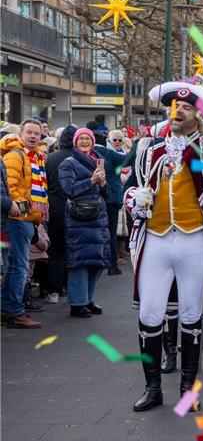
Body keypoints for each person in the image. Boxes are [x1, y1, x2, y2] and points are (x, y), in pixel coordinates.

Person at [125, 55, 203, 412]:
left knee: (192, 314)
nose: (177, 111)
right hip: (157, 239)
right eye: (174, 106)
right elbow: (132, 187)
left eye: (185, 107)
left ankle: (188, 391)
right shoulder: (150, 149)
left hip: (194, 238)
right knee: (149, 314)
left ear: (198, 115)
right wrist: (136, 198)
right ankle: (152, 388)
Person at [58, 128, 110, 317]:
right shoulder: (68, 163)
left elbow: (106, 192)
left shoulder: (98, 160)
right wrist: (91, 180)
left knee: (96, 261)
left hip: (98, 216)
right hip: (79, 218)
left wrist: (103, 183)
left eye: (88, 138)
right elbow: (68, 190)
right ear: (75, 142)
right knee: (79, 261)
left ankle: (88, 299)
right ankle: (77, 303)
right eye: (81, 139)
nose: (85, 141)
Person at [1, 119, 47, 328]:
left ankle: (7, 308)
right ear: (21, 133)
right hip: (18, 219)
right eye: (29, 132)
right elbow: (11, 192)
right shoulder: (15, 156)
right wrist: (30, 212)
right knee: (19, 267)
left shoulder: (35, 156)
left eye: (36, 133)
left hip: (25, 219)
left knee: (16, 267)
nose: (33, 136)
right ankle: (15, 312)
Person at [44, 125, 78, 304]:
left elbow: (46, 184)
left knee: (55, 251)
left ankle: (53, 291)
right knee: (73, 250)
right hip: (76, 209)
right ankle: (68, 289)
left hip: (55, 208)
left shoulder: (50, 158)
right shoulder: (80, 158)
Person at [97, 129, 129, 275]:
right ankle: (112, 265)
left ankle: (98, 262)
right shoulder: (110, 154)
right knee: (111, 230)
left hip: (94, 197)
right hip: (113, 197)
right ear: (107, 141)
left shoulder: (86, 154)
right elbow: (128, 160)